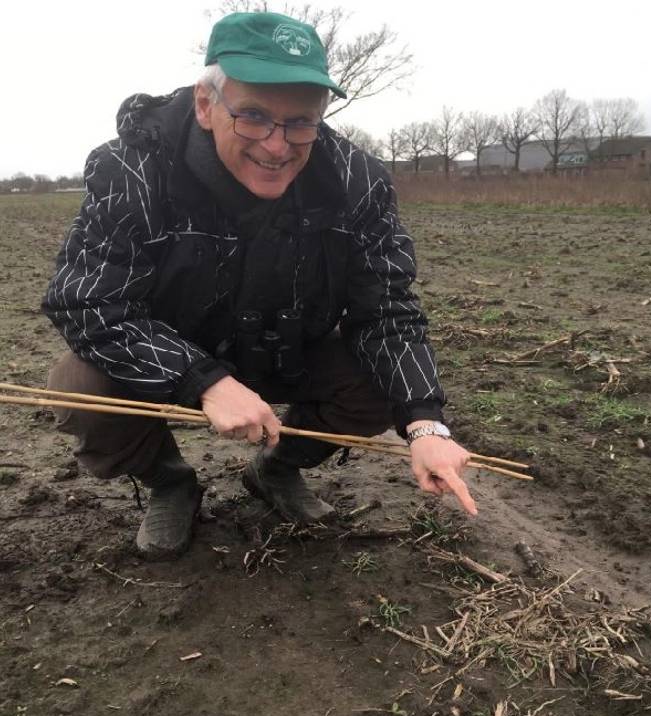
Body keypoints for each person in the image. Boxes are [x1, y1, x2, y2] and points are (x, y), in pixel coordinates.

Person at [41, 11, 477, 560]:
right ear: (206, 104)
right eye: (253, 117)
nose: (277, 145)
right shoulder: (134, 169)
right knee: (79, 387)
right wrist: (202, 380)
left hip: (288, 350)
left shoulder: (356, 181)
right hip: (173, 353)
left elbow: (387, 310)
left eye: (300, 122)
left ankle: (277, 467)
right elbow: (87, 302)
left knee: (377, 382)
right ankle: (170, 482)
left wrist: (425, 424)